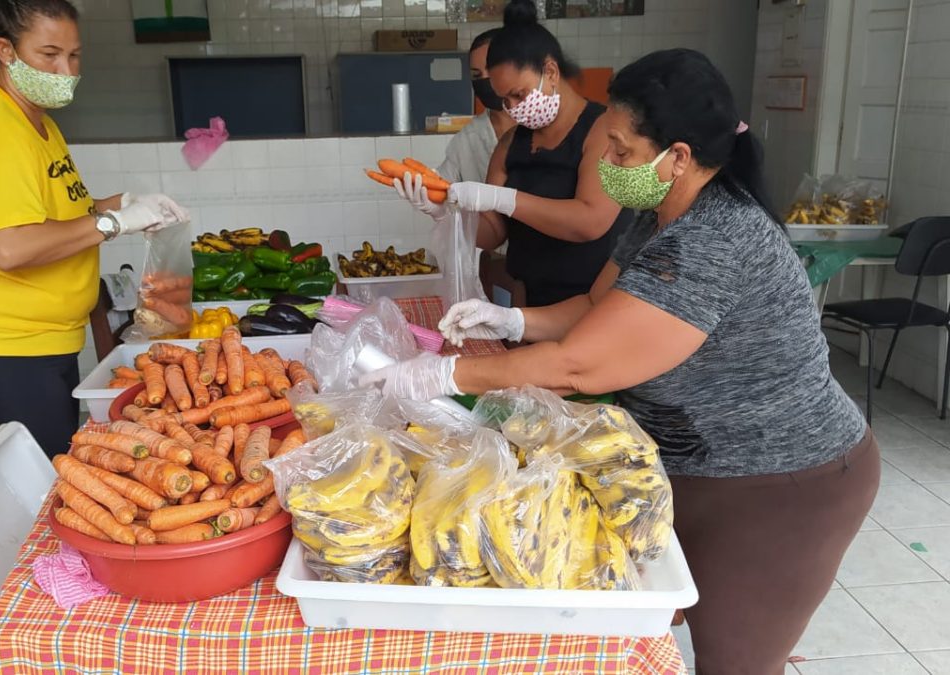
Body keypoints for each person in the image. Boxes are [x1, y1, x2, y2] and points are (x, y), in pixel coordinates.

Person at [365, 49, 878, 674]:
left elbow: (578, 366)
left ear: (679, 157)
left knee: (734, 659)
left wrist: (442, 374)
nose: (606, 165)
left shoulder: (714, 240)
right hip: (687, 463)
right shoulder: (656, 212)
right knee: (642, 618)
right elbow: (598, 305)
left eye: (621, 152)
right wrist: (513, 321)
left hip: (782, 482)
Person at [0, 0, 188, 458]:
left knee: (54, 469)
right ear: (6, 50)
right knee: (46, 486)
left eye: (74, 55)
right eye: (49, 54)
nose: (65, 69)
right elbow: (10, 246)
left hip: (32, 343)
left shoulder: (36, 122)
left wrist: (125, 205)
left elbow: (59, 211)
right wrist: (113, 223)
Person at [396, 0, 632, 307]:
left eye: (518, 94)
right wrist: (445, 214)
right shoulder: (510, 144)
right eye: (505, 99)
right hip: (530, 301)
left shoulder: (602, 132)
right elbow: (493, 232)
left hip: (594, 304)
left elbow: (590, 221)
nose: (513, 108)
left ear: (550, 71)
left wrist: (505, 199)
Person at [435, 29, 516, 184]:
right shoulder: (468, 138)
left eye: (492, 70)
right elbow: (442, 185)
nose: (485, 80)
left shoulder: (545, 127)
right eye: (477, 75)